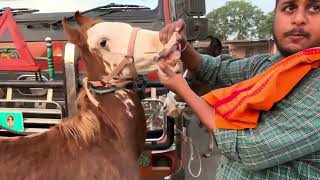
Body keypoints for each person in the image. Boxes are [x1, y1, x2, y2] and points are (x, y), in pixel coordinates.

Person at [157, 0, 320, 179]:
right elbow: (214, 70)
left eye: (315, 8)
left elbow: (250, 149)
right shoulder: (272, 65)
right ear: (276, 14)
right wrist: (183, 46)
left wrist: (182, 88)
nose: (298, 19)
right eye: (289, 7)